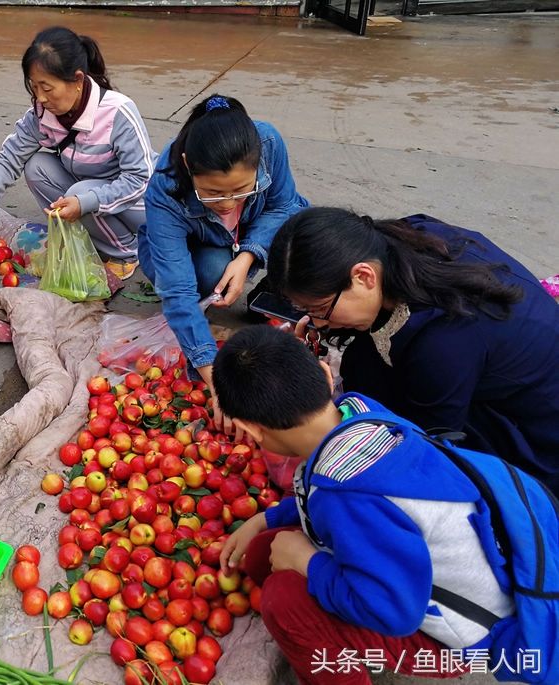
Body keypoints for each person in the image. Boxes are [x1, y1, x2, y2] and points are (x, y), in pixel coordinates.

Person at [213, 325, 525, 685]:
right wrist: (267, 518)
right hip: (444, 575)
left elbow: (395, 613)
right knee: (262, 552)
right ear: (324, 374)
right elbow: (323, 496)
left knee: (283, 601)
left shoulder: (349, 494)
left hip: (459, 634)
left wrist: (308, 563)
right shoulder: (360, 414)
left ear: (250, 431)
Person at [266, 208, 559, 494]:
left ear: (364, 276)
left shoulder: (443, 344)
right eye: (305, 310)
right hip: (488, 366)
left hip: (533, 436)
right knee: (361, 367)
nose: (316, 321)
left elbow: (430, 451)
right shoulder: (396, 241)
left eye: (319, 308)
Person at [140, 94, 308, 410]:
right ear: (189, 165)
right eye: (214, 193)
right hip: (193, 251)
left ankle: (270, 290)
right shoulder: (166, 186)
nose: (229, 203)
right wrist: (213, 373)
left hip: (240, 241)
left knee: (308, 230)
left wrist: (247, 256)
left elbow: (284, 205)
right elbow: (178, 291)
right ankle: (216, 285)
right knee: (208, 271)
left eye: (243, 189)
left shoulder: (268, 143)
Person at [0, 26, 156, 280]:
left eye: (47, 88)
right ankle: (95, 239)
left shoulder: (118, 112)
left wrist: (85, 202)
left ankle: (126, 252)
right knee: (36, 166)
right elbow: (10, 156)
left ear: (78, 80)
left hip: (140, 206)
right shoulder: (42, 113)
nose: (40, 98)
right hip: (91, 192)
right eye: (34, 87)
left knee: (79, 194)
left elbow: (140, 179)